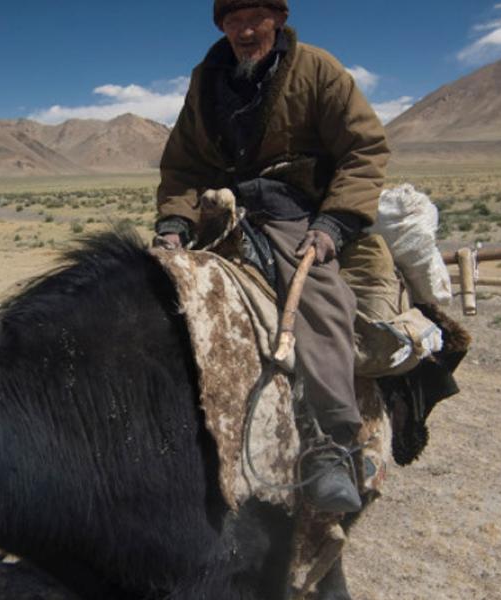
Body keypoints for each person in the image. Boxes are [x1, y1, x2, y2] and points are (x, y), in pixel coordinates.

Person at [153, 0, 391, 514]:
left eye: (254, 19)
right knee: (153, 292)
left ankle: (331, 444)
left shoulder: (317, 69)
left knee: (321, 302)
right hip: (223, 210)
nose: (243, 31)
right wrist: (173, 224)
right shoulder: (207, 78)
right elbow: (182, 165)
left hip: (294, 211)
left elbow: (364, 150)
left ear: (278, 20)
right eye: (232, 21)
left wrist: (334, 222)